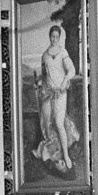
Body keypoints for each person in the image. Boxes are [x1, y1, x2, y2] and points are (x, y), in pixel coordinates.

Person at [33, 24, 80, 176]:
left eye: (56, 37)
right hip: (47, 92)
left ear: (59, 37)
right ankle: (51, 153)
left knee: (59, 123)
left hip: (60, 92)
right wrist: (39, 83)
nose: (54, 39)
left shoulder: (62, 52)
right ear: (49, 37)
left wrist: (64, 81)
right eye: (52, 36)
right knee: (47, 124)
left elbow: (71, 70)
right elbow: (44, 75)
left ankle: (65, 155)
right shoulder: (45, 55)